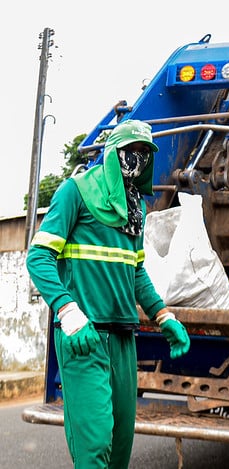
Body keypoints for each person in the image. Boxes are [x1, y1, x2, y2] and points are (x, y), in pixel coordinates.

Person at [26, 119, 190, 469]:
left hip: (123, 339)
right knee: (95, 445)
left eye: (145, 154)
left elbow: (135, 271)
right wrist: (69, 313)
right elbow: (39, 257)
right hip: (84, 337)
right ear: (111, 154)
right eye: (131, 152)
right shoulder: (76, 192)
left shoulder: (136, 209)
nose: (138, 160)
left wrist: (164, 315)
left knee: (119, 449)